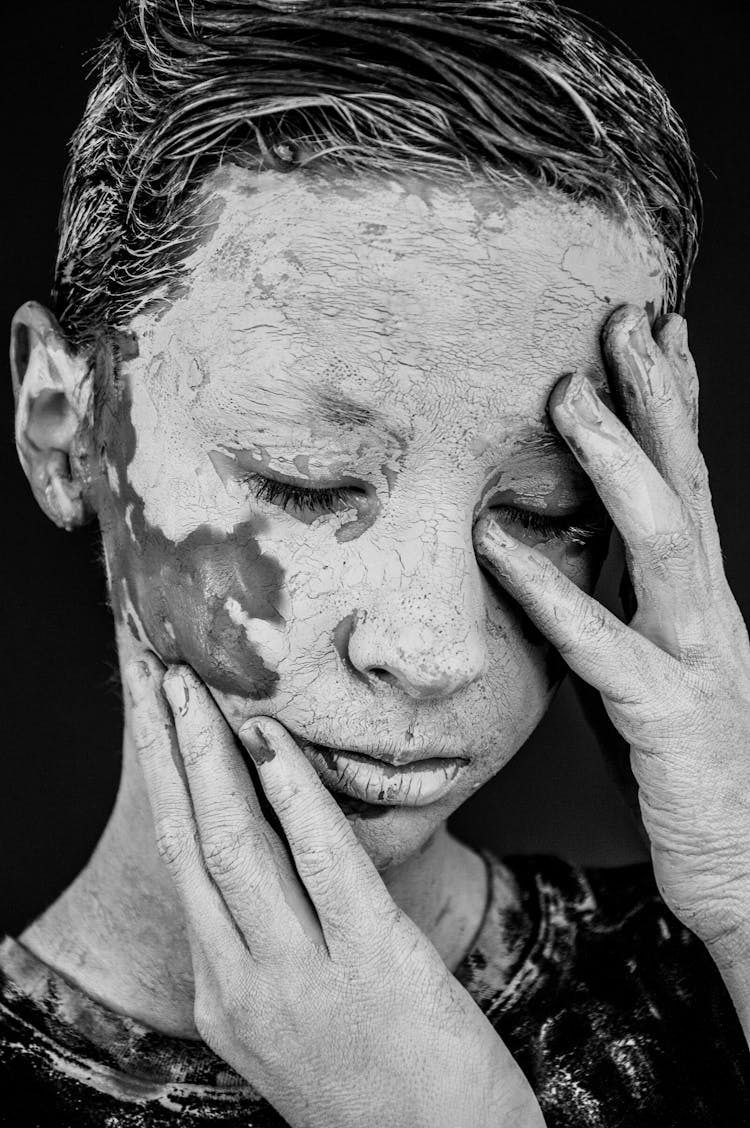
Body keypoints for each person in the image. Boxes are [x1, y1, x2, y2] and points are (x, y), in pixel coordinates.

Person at [2, 0, 749, 1124]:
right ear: (66, 430)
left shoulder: (716, 971)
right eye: (308, 479)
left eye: (550, 511)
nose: (433, 647)